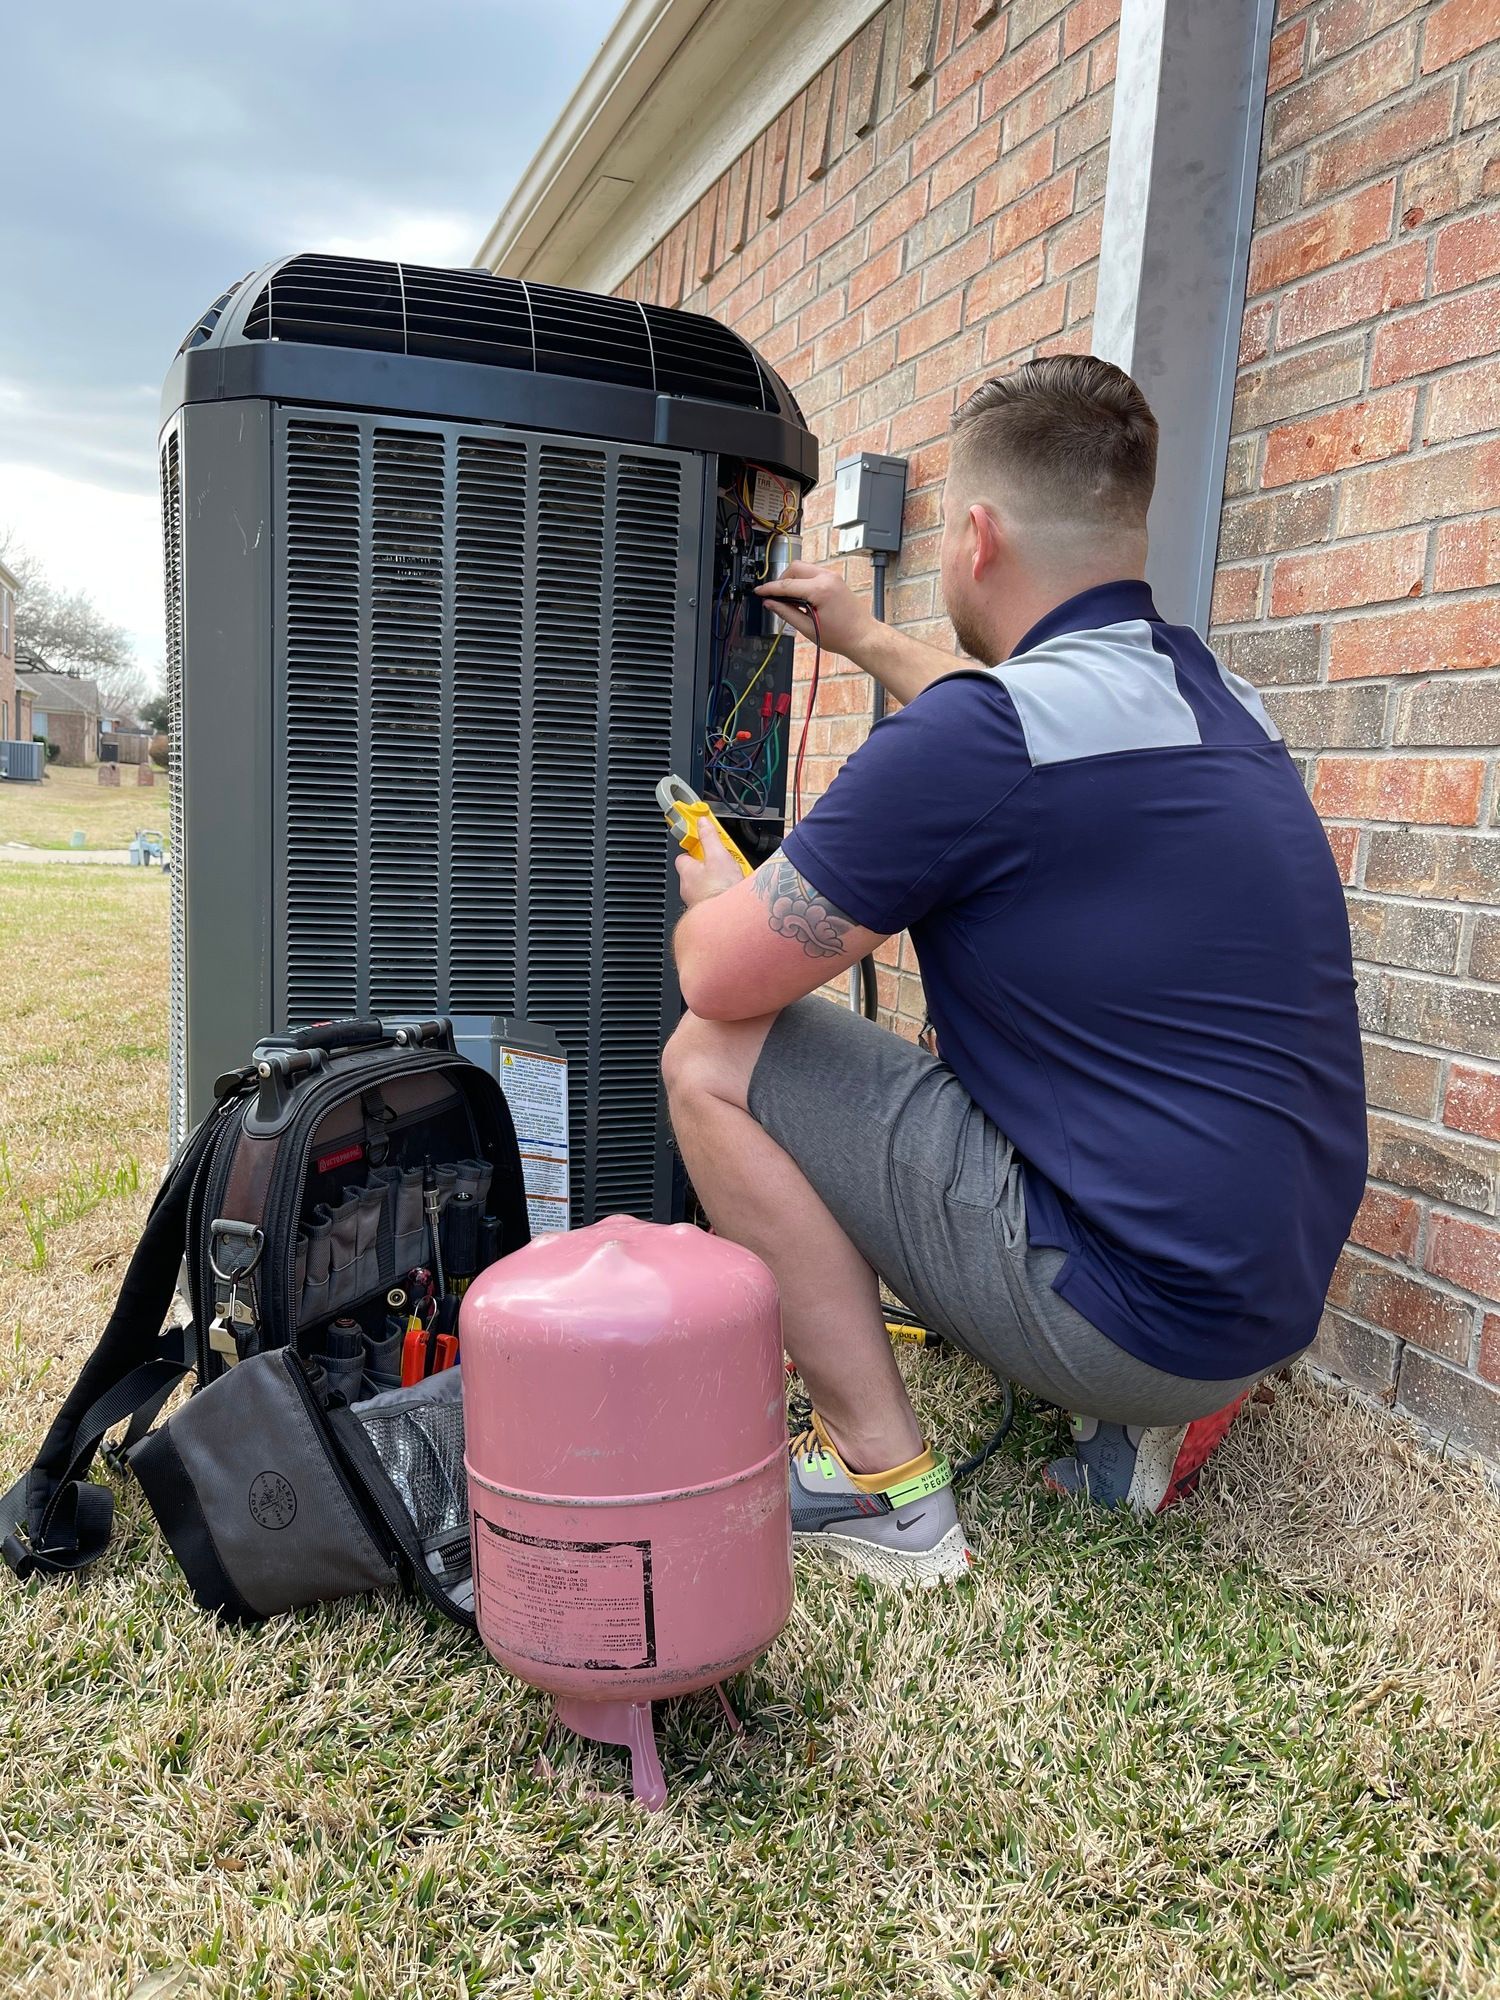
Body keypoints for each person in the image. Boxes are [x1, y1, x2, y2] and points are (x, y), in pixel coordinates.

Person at [662, 355, 1367, 1585]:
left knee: (709, 1057)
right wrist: (874, 637)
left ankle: (884, 1487)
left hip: (1131, 1316)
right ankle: (1142, 1411)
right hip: (1261, 1303)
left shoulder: (979, 741)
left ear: (977, 536)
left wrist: (720, 899)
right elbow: (1012, 729)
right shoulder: (1227, 705)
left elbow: (723, 979)